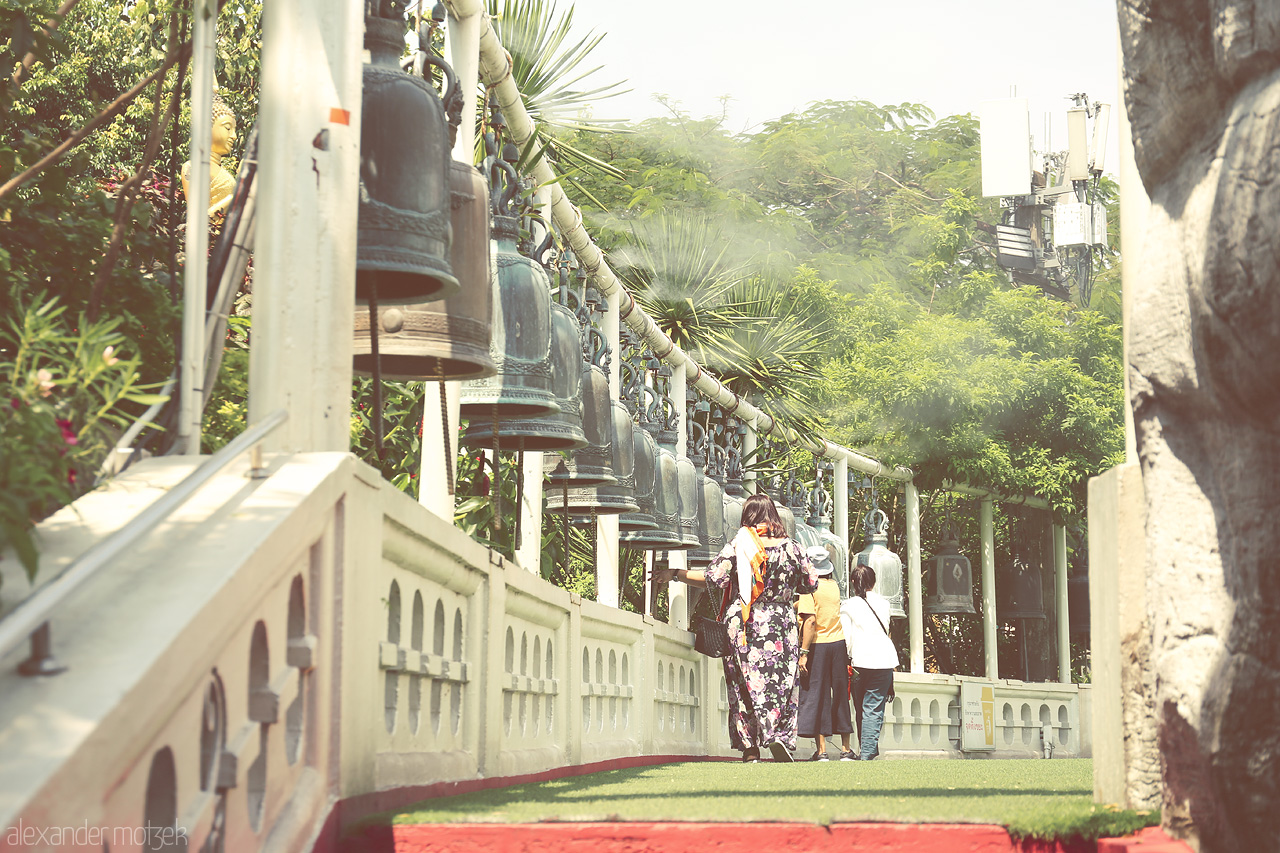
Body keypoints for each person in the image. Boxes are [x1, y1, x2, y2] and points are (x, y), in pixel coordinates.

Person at [654, 493, 816, 762]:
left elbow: (713, 578)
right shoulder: (793, 548)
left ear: (748, 516)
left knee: (742, 684)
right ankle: (777, 734)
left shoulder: (741, 543)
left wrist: (675, 574)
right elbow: (810, 583)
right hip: (781, 625)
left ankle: (750, 747)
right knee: (782, 683)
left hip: (745, 622)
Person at [796, 545, 855, 761]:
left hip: (817, 646)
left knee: (817, 696)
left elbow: (811, 621)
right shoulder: (833, 586)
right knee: (840, 695)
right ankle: (846, 749)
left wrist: (804, 653)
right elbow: (824, 606)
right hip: (838, 644)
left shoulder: (808, 588)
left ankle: (821, 751)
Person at [839, 558, 899, 761]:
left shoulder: (848, 605)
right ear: (873, 582)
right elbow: (886, 629)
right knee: (873, 708)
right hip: (884, 660)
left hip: (859, 661)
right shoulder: (884, 604)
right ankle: (868, 750)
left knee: (861, 708)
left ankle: (865, 751)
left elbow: (846, 638)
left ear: (853, 583)